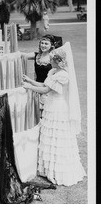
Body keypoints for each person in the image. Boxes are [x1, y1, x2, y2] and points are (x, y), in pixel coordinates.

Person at [22, 42, 86, 186]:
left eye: (51, 59)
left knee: (57, 137)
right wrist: (30, 80)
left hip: (58, 107)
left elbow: (46, 91)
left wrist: (29, 87)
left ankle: (58, 170)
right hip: (51, 105)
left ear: (58, 61)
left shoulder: (63, 75)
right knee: (48, 136)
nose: (49, 61)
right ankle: (48, 170)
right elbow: (44, 85)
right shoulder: (52, 72)